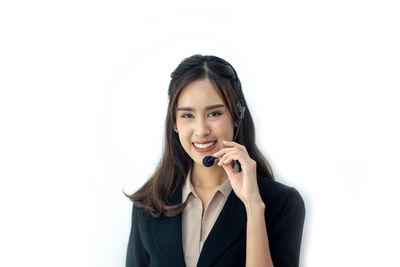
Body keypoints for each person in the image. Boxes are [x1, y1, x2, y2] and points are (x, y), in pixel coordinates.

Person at [125, 54, 305, 267]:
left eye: (214, 113)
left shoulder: (281, 205)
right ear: (174, 122)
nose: (201, 130)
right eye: (187, 115)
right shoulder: (149, 204)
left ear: (237, 113)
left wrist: (253, 205)